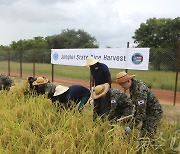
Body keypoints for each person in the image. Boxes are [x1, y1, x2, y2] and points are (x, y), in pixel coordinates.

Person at [115, 71, 163, 138]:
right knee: (144, 135)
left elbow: (141, 113)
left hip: (153, 113)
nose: (121, 86)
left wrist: (130, 127)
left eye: (122, 84)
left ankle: (150, 147)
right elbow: (138, 108)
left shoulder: (139, 91)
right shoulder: (133, 85)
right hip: (147, 111)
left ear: (128, 81)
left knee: (146, 136)